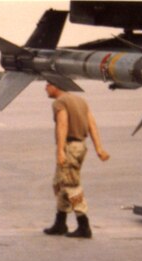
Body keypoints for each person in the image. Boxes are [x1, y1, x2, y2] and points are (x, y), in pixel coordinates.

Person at [43, 82, 110, 238]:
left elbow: (62, 125)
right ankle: (60, 223)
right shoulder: (80, 100)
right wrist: (99, 148)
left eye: (48, 85)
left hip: (70, 147)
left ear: (56, 86)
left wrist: (60, 150)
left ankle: (83, 225)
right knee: (60, 183)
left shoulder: (60, 102)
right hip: (80, 146)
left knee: (71, 184)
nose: (45, 88)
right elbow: (92, 124)